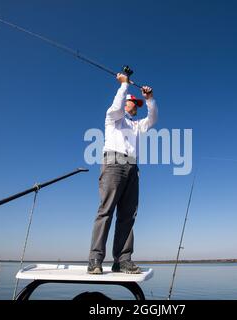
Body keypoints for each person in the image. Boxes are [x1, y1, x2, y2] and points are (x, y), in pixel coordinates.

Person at [87, 73, 158, 274]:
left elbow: (153, 119)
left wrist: (149, 99)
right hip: (113, 163)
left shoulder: (136, 125)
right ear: (126, 102)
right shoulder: (113, 117)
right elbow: (117, 107)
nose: (136, 106)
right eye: (134, 103)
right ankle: (95, 259)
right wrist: (124, 85)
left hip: (132, 168)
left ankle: (122, 260)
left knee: (128, 215)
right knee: (106, 211)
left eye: (137, 103)